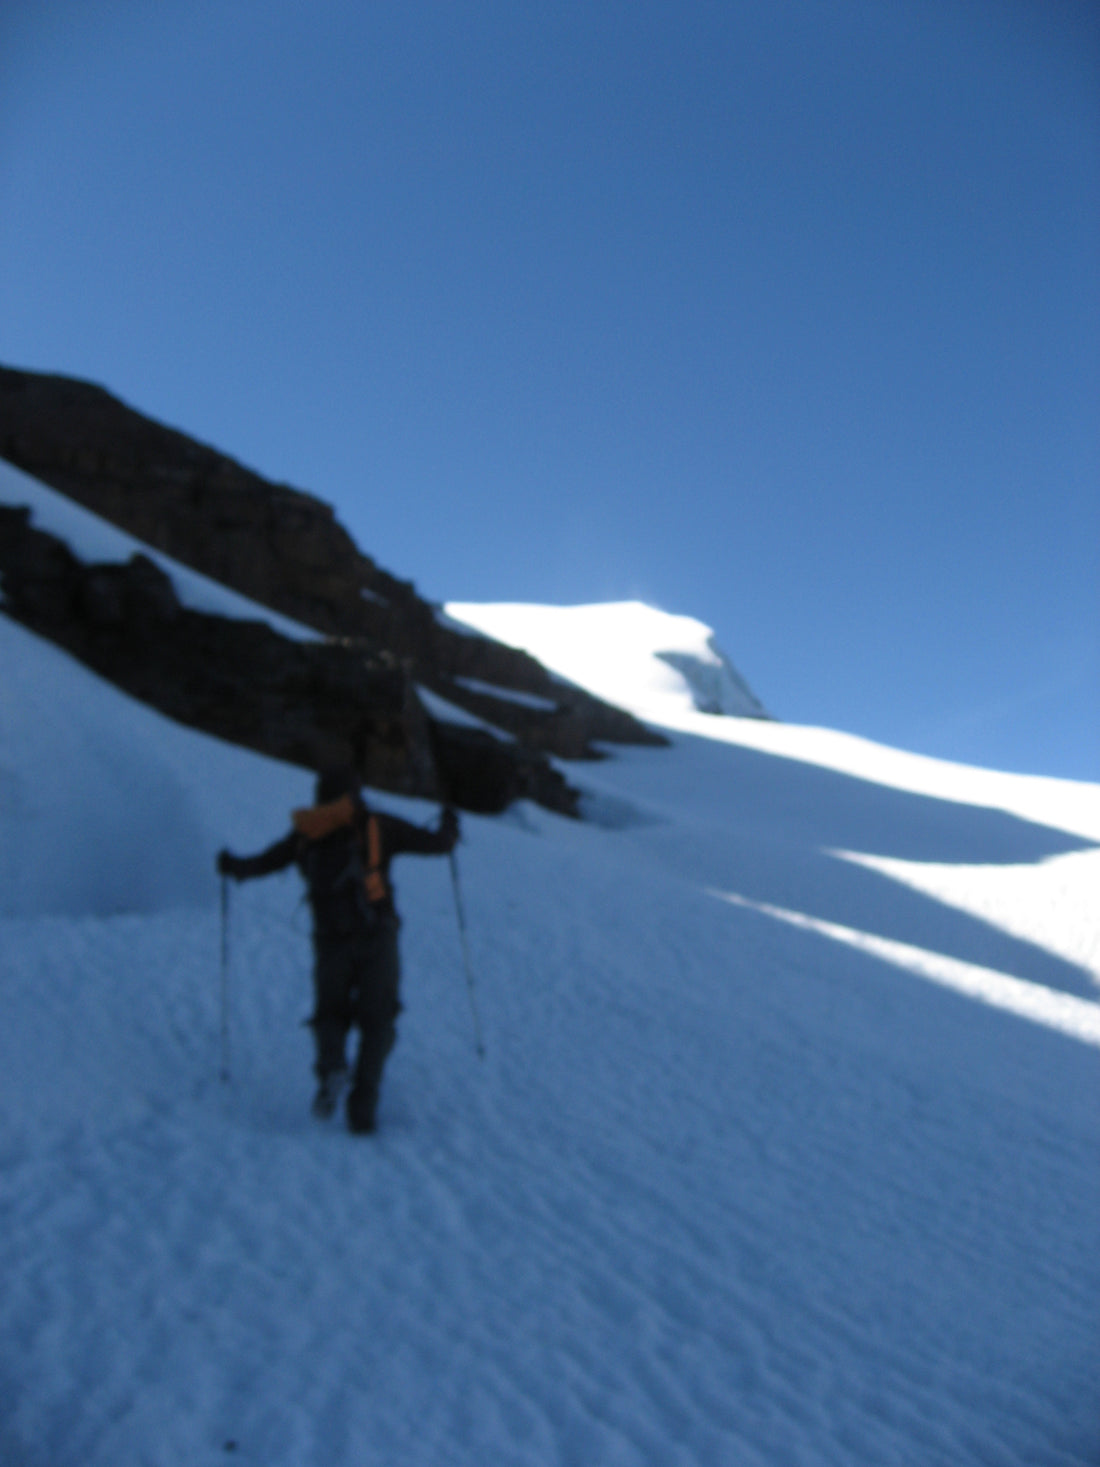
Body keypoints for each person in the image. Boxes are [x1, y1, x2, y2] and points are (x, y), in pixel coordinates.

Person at [217, 766, 459, 1134]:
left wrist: (234, 866)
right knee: (378, 1020)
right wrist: (450, 825)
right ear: (354, 794)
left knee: (330, 1013)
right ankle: (363, 1107)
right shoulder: (376, 825)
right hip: (377, 935)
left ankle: (332, 1069)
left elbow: (266, 862)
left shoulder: (307, 832)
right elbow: (437, 845)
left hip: (329, 939)